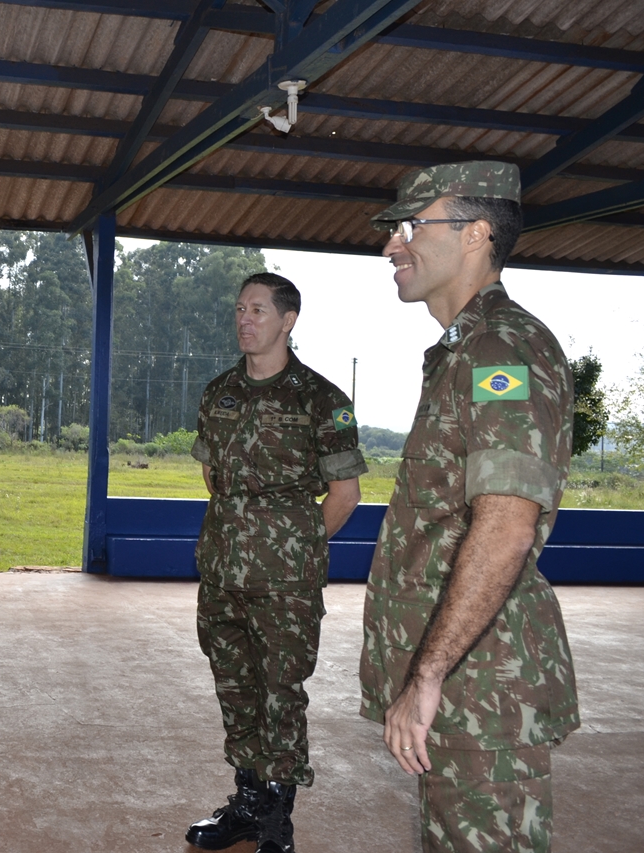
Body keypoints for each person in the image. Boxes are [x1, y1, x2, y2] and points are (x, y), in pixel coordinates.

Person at [360, 161, 579, 852]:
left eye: (411, 225)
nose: (392, 245)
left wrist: (427, 676)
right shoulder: (463, 352)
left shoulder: (499, 348)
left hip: (481, 686)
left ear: (477, 234)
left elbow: (508, 523)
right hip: (467, 684)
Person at [187, 273, 367, 853]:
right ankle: (245, 803)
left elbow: (345, 495)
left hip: (285, 584)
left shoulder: (321, 400)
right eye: (240, 308)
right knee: (234, 687)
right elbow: (212, 475)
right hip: (221, 573)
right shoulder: (219, 392)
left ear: (288, 320)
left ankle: (276, 818)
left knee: (280, 694)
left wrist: (296, 548)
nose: (245, 319)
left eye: (258, 310)